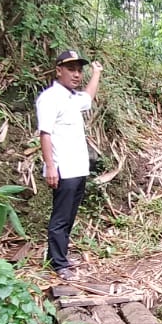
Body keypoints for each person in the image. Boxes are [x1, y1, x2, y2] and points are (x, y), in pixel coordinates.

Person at [37, 50, 103, 282]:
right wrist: (51, 166)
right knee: (60, 218)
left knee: (69, 216)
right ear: (59, 71)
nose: (76, 75)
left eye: (79, 70)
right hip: (63, 169)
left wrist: (96, 72)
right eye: (71, 69)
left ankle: (58, 256)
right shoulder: (50, 98)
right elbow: (45, 134)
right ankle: (58, 264)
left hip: (78, 170)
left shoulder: (73, 98)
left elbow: (89, 97)